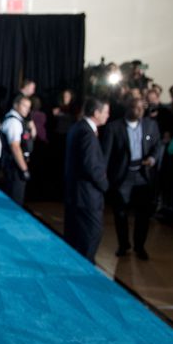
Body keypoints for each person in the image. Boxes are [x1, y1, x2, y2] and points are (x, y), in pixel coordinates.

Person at [101, 96, 162, 260]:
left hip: (143, 174)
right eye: (136, 108)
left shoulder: (151, 125)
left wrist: (152, 159)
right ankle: (123, 245)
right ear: (128, 108)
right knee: (120, 213)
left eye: (142, 108)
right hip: (123, 176)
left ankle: (139, 246)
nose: (140, 111)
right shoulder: (113, 128)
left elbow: (157, 145)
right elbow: (106, 155)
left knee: (143, 214)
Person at [63, 98, 110, 263]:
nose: (108, 115)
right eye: (106, 112)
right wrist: (105, 186)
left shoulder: (78, 127)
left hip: (77, 195)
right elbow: (90, 166)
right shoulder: (86, 134)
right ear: (96, 113)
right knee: (90, 236)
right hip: (87, 196)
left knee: (75, 237)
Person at [0, 94, 34, 205]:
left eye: (29, 107)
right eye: (24, 106)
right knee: (15, 200)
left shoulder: (20, 120)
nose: (27, 110)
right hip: (14, 166)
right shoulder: (13, 122)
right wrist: (24, 169)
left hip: (17, 165)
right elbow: (15, 147)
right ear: (16, 105)